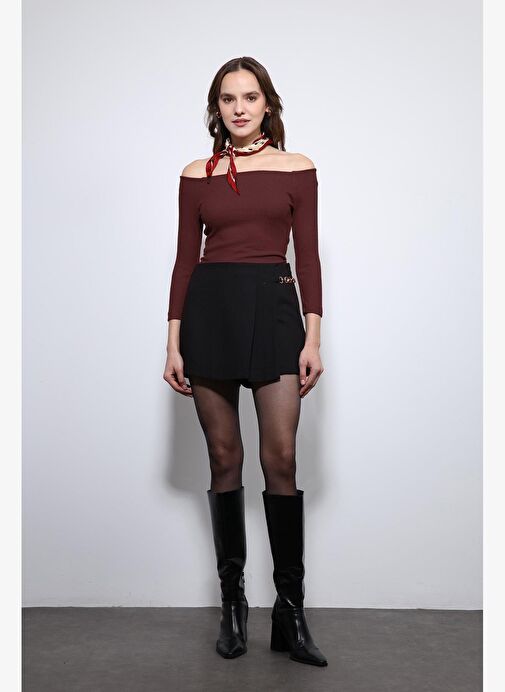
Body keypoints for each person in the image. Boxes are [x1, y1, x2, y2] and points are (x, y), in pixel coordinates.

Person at [163, 56, 327, 667]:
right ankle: (233, 605)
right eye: (228, 98)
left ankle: (291, 610)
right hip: (210, 313)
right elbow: (185, 259)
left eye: (250, 97)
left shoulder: (296, 167)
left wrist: (313, 338)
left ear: (267, 104)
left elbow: (308, 257)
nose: (239, 108)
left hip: (275, 310)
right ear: (217, 108)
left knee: (280, 457)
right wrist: (173, 340)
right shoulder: (197, 174)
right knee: (224, 458)